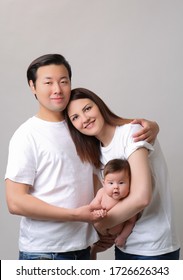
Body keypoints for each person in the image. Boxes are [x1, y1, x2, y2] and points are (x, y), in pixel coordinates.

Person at [5, 54, 159, 260]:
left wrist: (153, 126)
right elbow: (15, 202)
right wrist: (77, 216)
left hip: (83, 248)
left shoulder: (82, 129)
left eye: (63, 81)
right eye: (48, 82)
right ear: (32, 86)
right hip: (45, 252)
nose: (57, 89)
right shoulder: (26, 135)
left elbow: (101, 171)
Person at [65, 87, 180, 260]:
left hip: (154, 247)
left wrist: (101, 224)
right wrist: (101, 236)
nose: (85, 119)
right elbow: (104, 200)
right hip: (124, 246)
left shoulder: (131, 134)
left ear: (99, 106)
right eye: (75, 117)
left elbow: (142, 198)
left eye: (87, 108)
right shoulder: (96, 154)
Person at [90, 158, 137, 260]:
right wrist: (98, 212)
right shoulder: (101, 193)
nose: (116, 187)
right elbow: (92, 207)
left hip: (111, 238)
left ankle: (93, 253)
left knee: (100, 247)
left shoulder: (129, 200)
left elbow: (130, 222)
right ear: (104, 183)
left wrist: (122, 237)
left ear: (130, 183)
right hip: (96, 233)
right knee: (91, 246)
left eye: (121, 183)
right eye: (111, 183)